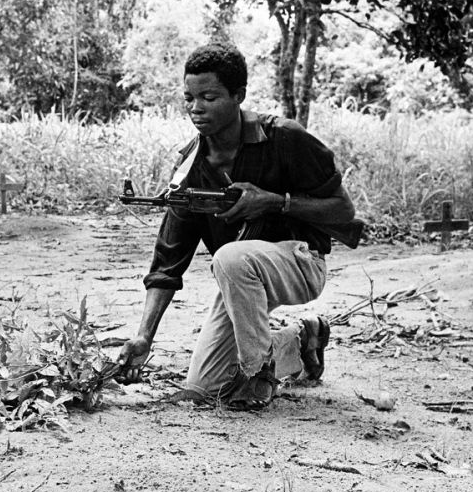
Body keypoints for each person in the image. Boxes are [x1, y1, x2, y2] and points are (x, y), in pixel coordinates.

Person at [117, 42, 355, 411]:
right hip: (240, 282)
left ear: (238, 95)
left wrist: (276, 201)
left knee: (230, 258)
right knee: (205, 386)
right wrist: (143, 337)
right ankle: (302, 338)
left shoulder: (284, 138)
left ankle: (258, 372)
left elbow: (343, 209)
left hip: (300, 264)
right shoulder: (191, 170)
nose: (196, 108)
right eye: (189, 98)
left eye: (208, 97)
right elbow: (167, 265)